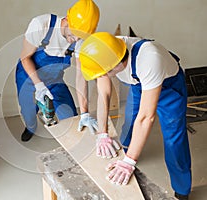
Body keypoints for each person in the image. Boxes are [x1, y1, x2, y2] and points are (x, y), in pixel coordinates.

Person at [79, 32, 191, 199]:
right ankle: (126, 152)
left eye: (103, 74)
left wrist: (129, 162)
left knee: (173, 139)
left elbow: (146, 118)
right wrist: (103, 133)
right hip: (139, 84)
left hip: (170, 89)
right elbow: (104, 95)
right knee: (130, 123)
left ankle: (182, 190)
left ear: (115, 66)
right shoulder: (107, 50)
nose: (102, 77)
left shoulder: (150, 59)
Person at [15, 0, 100, 142]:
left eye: (81, 37)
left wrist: (84, 113)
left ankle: (74, 140)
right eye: (74, 34)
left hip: (54, 79)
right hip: (28, 75)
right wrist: (39, 86)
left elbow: (81, 77)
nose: (76, 40)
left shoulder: (80, 40)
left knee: (71, 116)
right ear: (67, 20)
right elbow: (25, 58)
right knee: (27, 110)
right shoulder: (42, 25)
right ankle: (30, 126)